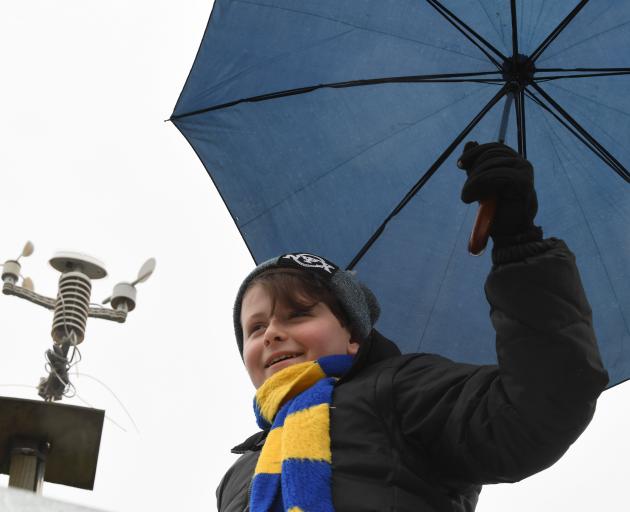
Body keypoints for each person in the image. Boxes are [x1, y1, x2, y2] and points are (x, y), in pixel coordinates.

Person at [216, 142, 609, 512]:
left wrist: (518, 243)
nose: (271, 334)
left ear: (353, 336)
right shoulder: (238, 475)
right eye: (254, 328)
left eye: (297, 314)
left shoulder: (399, 388)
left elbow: (534, 411)